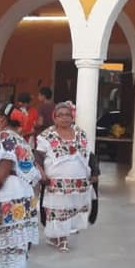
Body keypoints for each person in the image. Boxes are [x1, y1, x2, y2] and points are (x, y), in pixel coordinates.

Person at [0, 103, 42, 268]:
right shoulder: (22, 140)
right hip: (25, 195)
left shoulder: (5, 137)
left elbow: (3, 170)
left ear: (2, 118)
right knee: (15, 240)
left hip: (8, 192)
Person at [34, 101, 95, 253]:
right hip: (56, 184)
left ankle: (57, 236)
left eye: (67, 115)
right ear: (54, 118)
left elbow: (90, 155)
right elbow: (38, 157)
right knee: (59, 210)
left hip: (78, 183)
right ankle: (61, 238)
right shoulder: (46, 135)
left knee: (72, 210)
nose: (64, 118)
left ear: (72, 117)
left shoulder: (80, 133)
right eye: (60, 115)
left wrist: (95, 172)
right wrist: (40, 172)